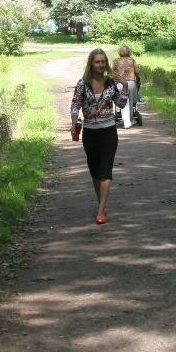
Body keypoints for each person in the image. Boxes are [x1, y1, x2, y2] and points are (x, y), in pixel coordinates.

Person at [70, 48, 129, 224]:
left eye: (103, 61)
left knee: (105, 170)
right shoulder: (83, 83)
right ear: (91, 63)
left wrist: (124, 86)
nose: (101, 64)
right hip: (89, 132)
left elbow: (121, 103)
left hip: (108, 131)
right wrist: (74, 123)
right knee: (95, 171)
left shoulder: (110, 83)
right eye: (97, 62)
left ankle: (101, 210)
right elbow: (75, 104)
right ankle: (101, 205)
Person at [112, 45, 142, 128]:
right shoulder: (132, 60)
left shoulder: (116, 61)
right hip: (131, 83)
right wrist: (138, 80)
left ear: (119, 52)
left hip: (120, 83)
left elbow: (113, 73)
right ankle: (130, 119)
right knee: (131, 100)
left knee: (123, 100)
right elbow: (137, 71)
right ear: (129, 52)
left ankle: (126, 121)